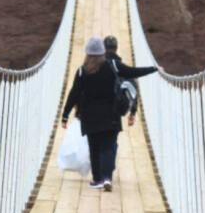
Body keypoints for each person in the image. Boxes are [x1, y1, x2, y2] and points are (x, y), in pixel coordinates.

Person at [62, 37, 158, 192]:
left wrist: (65, 115)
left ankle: (98, 179)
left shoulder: (81, 71)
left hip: (90, 116)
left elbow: (73, 94)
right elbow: (132, 72)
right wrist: (153, 69)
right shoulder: (113, 65)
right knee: (107, 146)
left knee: (94, 147)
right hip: (111, 114)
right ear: (102, 52)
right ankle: (107, 178)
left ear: (87, 53)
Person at [103, 35, 136, 182]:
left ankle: (101, 172)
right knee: (112, 142)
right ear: (116, 48)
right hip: (115, 112)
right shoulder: (123, 68)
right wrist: (132, 112)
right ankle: (108, 173)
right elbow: (132, 89)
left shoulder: (96, 66)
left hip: (97, 111)